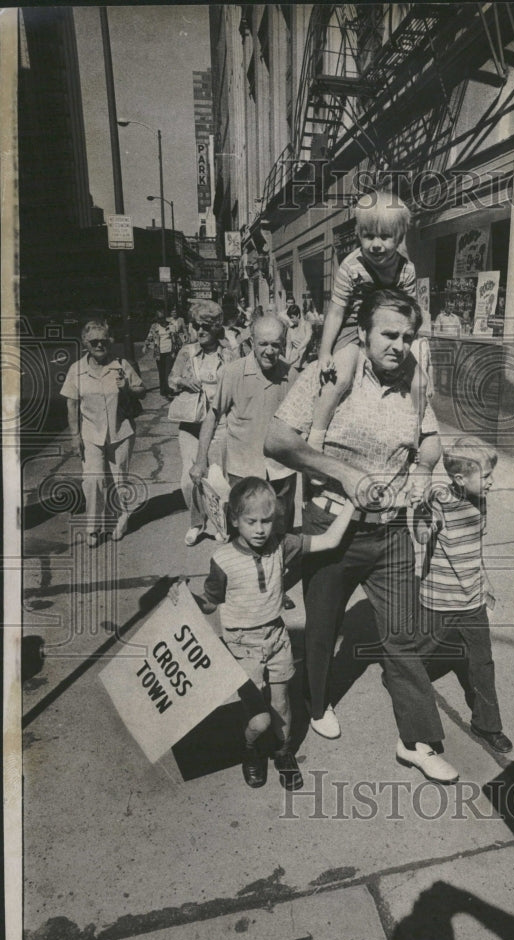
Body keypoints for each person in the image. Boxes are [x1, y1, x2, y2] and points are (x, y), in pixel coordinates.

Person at [264, 287, 459, 784]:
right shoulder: (331, 372)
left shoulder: (416, 379)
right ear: (365, 333)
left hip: (390, 530)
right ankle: (317, 700)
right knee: (323, 628)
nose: (398, 345)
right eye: (388, 334)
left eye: (407, 336)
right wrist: (341, 472)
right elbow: (278, 440)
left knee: (403, 634)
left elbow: (430, 439)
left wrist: (422, 471)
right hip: (330, 524)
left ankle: (417, 740)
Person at [177, 477, 355, 790]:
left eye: (266, 521)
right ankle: (251, 750)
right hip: (241, 646)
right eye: (251, 521)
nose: (260, 529)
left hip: (276, 638)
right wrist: (186, 598)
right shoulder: (223, 560)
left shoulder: (281, 545)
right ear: (234, 519)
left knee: (283, 707)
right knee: (258, 719)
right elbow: (209, 603)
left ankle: (283, 752)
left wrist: (353, 501)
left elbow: (328, 541)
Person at [413, 438, 513, 753]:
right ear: (460, 478)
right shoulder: (440, 500)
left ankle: (487, 724)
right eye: (486, 476)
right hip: (439, 600)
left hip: (471, 600)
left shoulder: (479, 501)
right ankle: (401, 679)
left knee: (482, 662)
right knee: (419, 655)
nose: (492, 482)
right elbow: (420, 531)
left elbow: (476, 547)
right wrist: (424, 518)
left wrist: (486, 581)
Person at [308, 191, 424, 458]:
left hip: (390, 328)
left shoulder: (406, 270)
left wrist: (413, 344)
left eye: (385, 237)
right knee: (342, 376)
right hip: (353, 325)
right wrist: (325, 352)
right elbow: (336, 312)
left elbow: (410, 313)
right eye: (368, 236)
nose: (376, 245)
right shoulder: (351, 266)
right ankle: (316, 436)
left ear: (399, 236)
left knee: (420, 381)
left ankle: (415, 435)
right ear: (358, 234)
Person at [189, 314, 298, 537]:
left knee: (280, 533)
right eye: (263, 344)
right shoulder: (232, 373)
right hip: (244, 469)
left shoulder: (292, 375)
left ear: (283, 344)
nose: (270, 351)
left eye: (276, 345)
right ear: (251, 343)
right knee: (246, 535)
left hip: (281, 471)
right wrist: (200, 460)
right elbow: (212, 416)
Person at [61, 318, 146, 546]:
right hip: (91, 434)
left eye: (104, 340)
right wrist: (74, 435)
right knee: (93, 480)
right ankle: (93, 526)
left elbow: (141, 390)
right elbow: (71, 404)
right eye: (94, 341)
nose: (99, 345)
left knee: (119, 479)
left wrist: (126, 387)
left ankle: (121, 518)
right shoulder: (76, 370)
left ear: (110, 341)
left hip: (121, 432)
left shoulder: (121, 364)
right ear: (85, 344)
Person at [168, 300, 238, 546]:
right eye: (196, 326)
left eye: (206, 326)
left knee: (217, 477)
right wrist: (182, 382)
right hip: (191, 422)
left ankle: (220, 522)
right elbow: (171, 379)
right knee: (189, 479)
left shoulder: (229, 351)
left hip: (220, 422)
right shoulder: (186, 352)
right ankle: (197, 523)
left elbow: (239, 384)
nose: (200, 331)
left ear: (217, 327)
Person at [143, 308, 181, 398]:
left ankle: (168, 390)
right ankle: (163, 390)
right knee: (161, 372)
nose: (160, 320)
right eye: (159, 318)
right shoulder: (154, 326)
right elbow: (149, 337)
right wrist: (145, 345)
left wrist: (177, 350)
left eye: (162, 318)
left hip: (169, 352)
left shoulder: (171, 325)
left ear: (165, 318)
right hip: (159, 353)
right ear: (157, 318)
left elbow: (176, 339)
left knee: (168, 372)